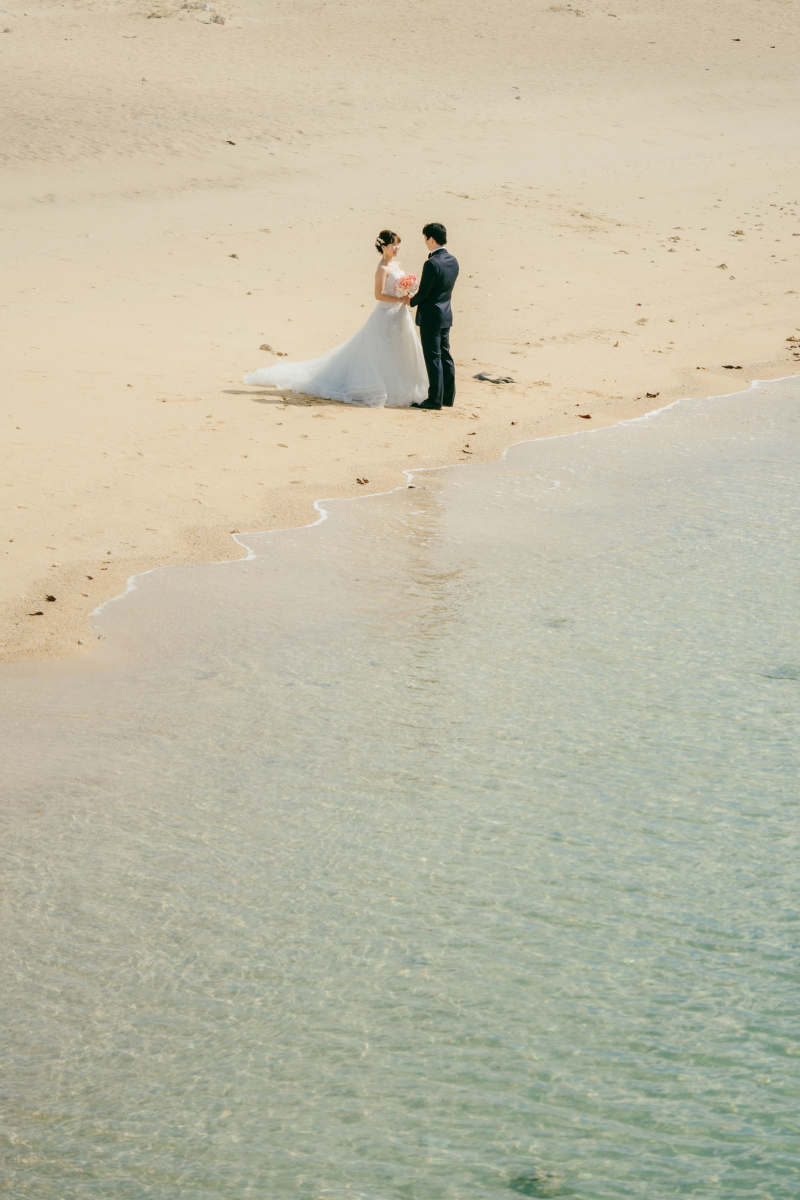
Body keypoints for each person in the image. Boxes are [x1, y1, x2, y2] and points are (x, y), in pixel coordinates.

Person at [242, 230, 428, 408]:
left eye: (398, 245)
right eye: (393, 244)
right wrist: (400, 299)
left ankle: (401, 386)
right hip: (386, 313)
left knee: (399, 350)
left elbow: (399, 286)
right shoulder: (382, 268)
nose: (396, 248)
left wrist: (408, 292)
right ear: (383, 246)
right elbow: (378, 295)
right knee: (380, 351)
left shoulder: (398, 265)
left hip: (400, 313)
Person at [410, 223, 459, 410]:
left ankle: (434, 399)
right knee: (445, 355)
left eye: (425, 239)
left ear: (431, 238)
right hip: (446, 314)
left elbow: (424, 293)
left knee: (433, 357)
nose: (425, 243)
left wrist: (410, 301)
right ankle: (448, 397)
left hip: (431, 316)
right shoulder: (453, 260)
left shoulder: (431, 263)